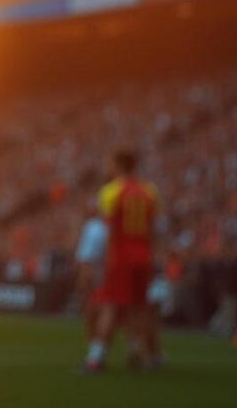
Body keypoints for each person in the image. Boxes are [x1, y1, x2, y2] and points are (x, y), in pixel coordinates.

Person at [84, 150, 161, 372]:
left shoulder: (110, 192)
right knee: (138, 307)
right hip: (144, 257)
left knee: (109, 305)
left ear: (117, 165)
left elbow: (109, 230)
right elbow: (153, 229)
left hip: (120, 258)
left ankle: (96, 357)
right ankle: (135, 351)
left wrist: (107, 261)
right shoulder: (150, 191)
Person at [74, 196, 108, 341]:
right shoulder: (106, 227)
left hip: (98, 275)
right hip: (108, 274)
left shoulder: (94, 227)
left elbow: (85, 256)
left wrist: (84, 275)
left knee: (95, 308)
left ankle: (95, 346)